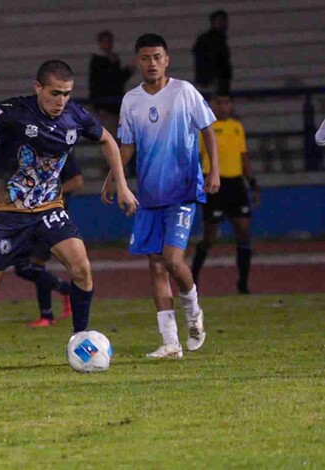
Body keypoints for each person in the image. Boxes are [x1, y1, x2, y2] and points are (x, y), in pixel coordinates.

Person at [0, 60, 138, 375]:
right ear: (38, 88)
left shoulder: (75, 116)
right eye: (54, 93)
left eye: (66, 94)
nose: (60, 101)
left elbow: (107, 140)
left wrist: (121, 184)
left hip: (49, 209)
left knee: (82, 269)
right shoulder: (15, 111)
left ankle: (79, 338)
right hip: (7, 214)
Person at [102, 34, 220, 359]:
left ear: (167, 59)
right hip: (149, 195)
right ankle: (170, 343)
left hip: (182, 190)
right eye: (145, 58)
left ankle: (194, 312)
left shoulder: (184, 92)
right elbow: (127, 145)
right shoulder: (131, 101)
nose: (151, 63)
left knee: (171, 260)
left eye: (157, 57)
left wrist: (214, 171)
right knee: (155, 267)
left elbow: (208, 129)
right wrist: (114, 177)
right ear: (137, 62)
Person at [191, 94, 259, 294]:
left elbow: (243, 157)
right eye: (219, 102)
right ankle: (192, 281)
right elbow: (196, 157)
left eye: (227, 102)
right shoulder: (205, 128)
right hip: (214, 183)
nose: (223, 106)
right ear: (212, 105)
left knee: (243, 232)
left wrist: (252, 184)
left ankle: (243, 284)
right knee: (210, 237)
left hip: (236, 184)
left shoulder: (237, 127)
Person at [14, 151, 83, 327]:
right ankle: (64, 291)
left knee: (34, 265)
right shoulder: (32, 152)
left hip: (52, 217)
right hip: (30, 216)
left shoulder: (62, 151)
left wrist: (48, 192)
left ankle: (47, 315)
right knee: (24, 266)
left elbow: (77, 182)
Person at [89, 30, 134, 136]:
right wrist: (98, 106)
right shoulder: (98, 61)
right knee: (111, 136)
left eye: (110, 41)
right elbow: (101, 83)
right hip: (106, 105)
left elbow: (117, 81)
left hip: (115, 105)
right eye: (105, 42)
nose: (109, 44)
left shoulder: (113, 59)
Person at [193, 10, 232, 94]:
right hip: (212, 82)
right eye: (220, 21)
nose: (223, 23)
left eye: (224, 21)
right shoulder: (211, 40)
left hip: (216, 82)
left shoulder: (218, 39)